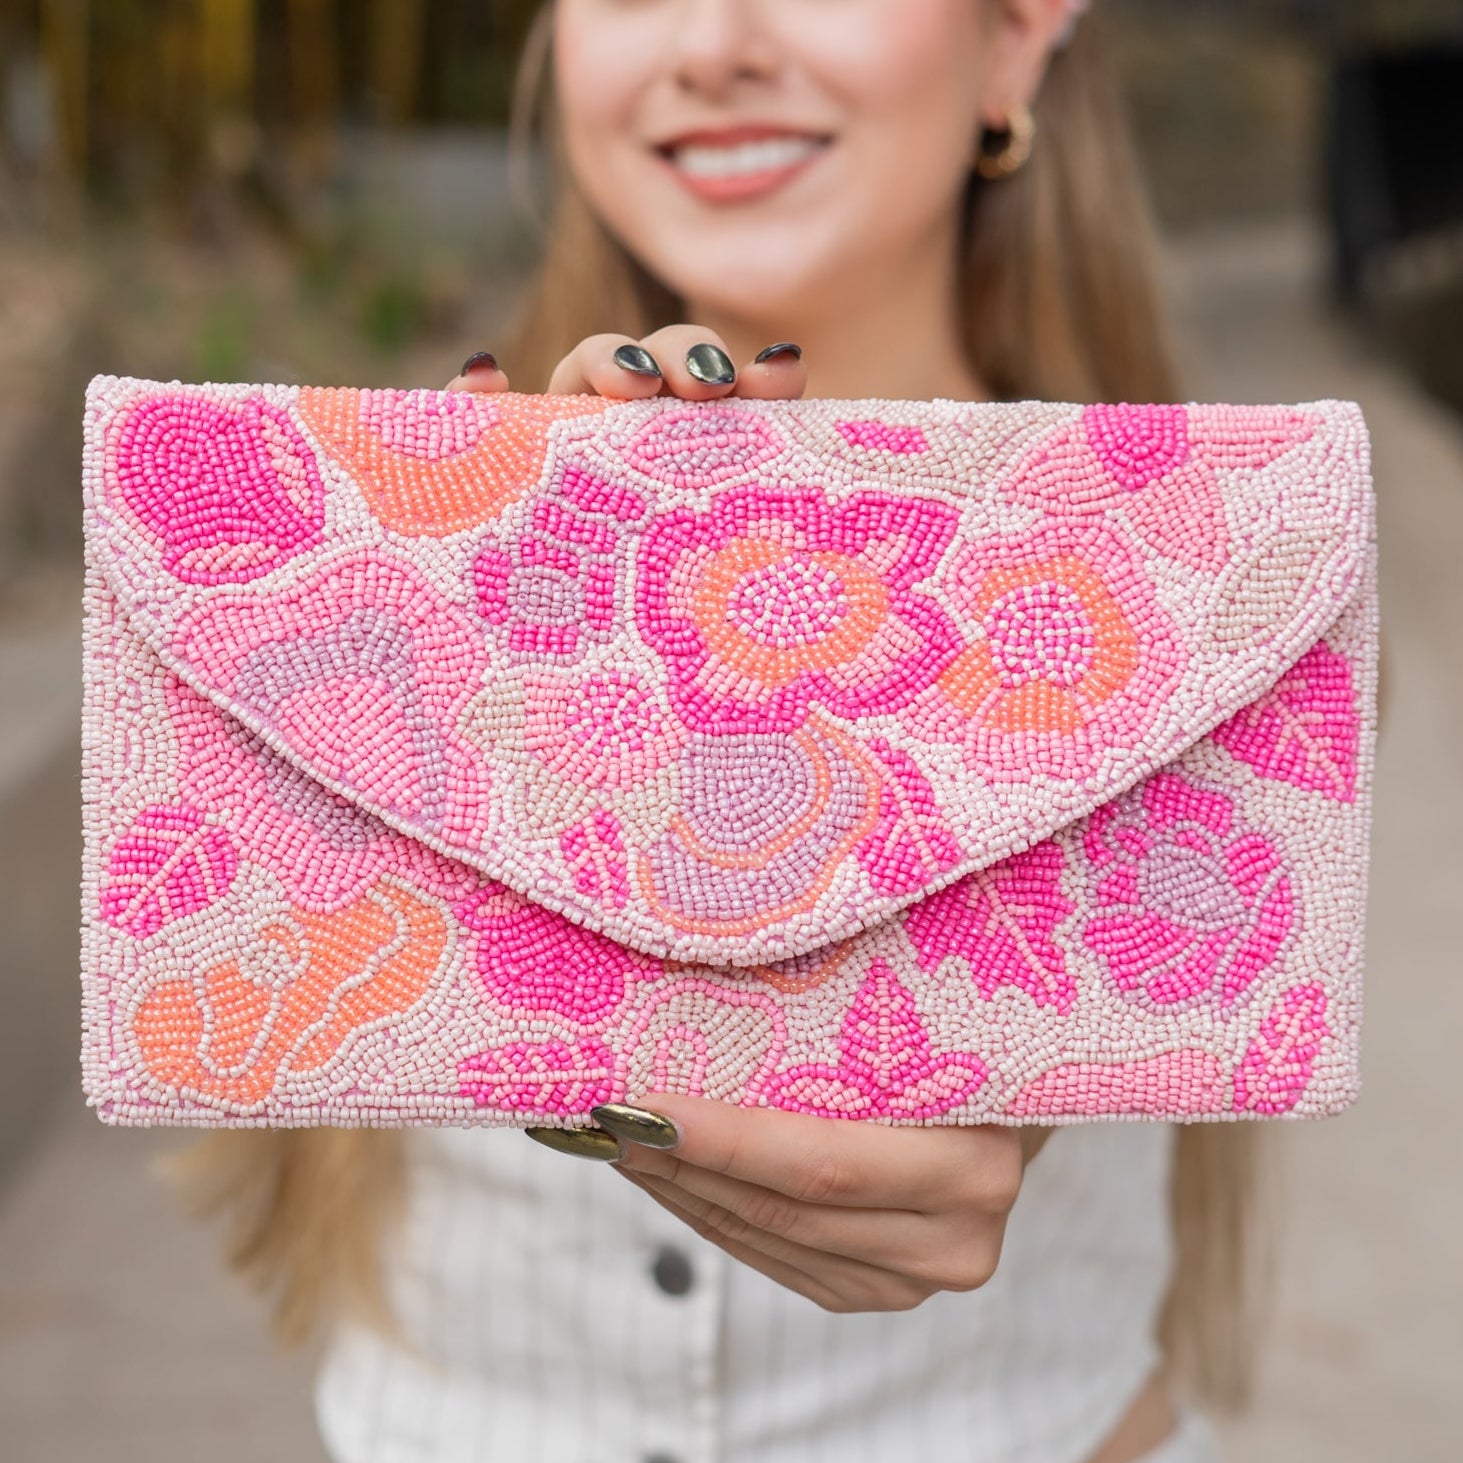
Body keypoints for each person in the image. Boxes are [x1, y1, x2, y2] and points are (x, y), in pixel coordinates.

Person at [185, 3, 1259, 1459]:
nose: (712, 43)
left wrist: (1026, 1026)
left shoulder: (1212, 591)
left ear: (1015, 40)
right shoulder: (379, 527)